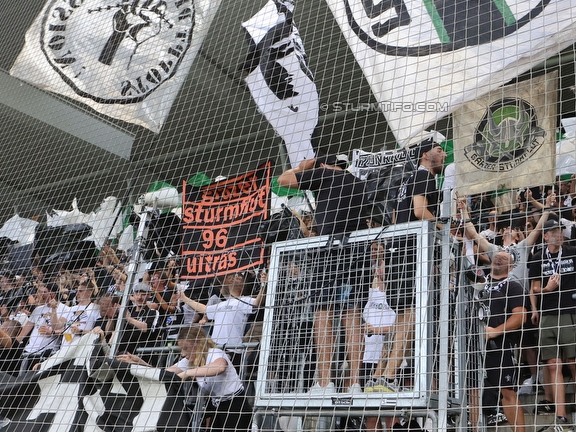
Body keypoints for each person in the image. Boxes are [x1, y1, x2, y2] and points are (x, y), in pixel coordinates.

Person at [277, 152, 367, 395]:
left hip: (329, 253)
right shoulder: (357, 182)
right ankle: (355, 383)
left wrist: (305, 165)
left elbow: (282, 180)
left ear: (324, 165)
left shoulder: (323, 174)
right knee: (352, 313)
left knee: (323, 312)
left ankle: (325, 382)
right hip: (356, 252)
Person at [367, 137, 446, 393]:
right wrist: (446, 231)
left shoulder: (405, 179)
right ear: (425, 155)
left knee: (402, 318)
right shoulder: (425, 177)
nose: (444, 154)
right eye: (438, 149)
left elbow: (394, 215)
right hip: (412, 252)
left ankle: (378, 376)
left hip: (396, 253)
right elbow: (420, 211)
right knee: (411, 315)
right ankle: (389, 377)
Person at [119, 325, 249, 431]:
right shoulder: (189, 360)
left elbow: (220, 367)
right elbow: (164, 374)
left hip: (235, 404)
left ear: (198, 343)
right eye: (181, 349)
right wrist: (139, 362)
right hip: (217, 405)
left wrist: (188, 373)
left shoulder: (215, 353)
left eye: (186, 348)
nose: (183, 354)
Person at [528, 219, 576, 425]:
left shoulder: (572, 252)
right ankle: (561, 415)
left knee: (575, 364)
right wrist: (540, 300)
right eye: (553, 232)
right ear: (545, 236)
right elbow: (534, 288)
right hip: (547, 314)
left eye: (559, 231)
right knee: (554, 365)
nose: (558, 234)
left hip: (570, 312)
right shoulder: (537, 258)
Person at [177, 271, 266, 374]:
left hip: (233, 350)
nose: (235, 279)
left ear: (243, 284)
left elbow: (257, 302)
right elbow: (204, 309)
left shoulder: (245, 300)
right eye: (233, 277)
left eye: (239, 278)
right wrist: (184, 298)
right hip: (215, 350)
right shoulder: (221, 304)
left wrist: (264, 285)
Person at [481, 251, 526, 432]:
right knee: (474, 392)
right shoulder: (477, 283)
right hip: (471, 346)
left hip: (499, 345)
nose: (500, 258)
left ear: (511, 267)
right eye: (497, 255)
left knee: (506, 391)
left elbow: (520, 316)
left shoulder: (513, 286)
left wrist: (495, 332)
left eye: (505, 258)